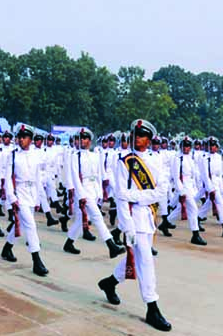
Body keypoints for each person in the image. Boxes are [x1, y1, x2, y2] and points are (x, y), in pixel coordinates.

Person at [97, 119, 172, 332]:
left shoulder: (156, 161)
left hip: (147, 215)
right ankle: (152, 307)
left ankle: (109, 283)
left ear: (150, 139)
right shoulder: (124, 161)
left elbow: (161, 192)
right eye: (136, 134)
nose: (138, 138)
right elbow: (121, 196)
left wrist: (136, 196)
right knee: (146, 261)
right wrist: (126, 226)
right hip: (133, 219)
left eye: (143, 135)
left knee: (138, 259)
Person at [63, 128, 125, 258]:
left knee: (80, 220)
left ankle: (69, 243)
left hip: (93, 189)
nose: (82, 141)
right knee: (97, 217)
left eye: (85, 138)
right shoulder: (74, 156)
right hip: (83, 190)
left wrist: (100, 193)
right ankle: (111, 245)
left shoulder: (95, 155)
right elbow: (75, 177)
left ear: (90, 141)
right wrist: (81, 195)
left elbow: (98, 175)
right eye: (80, 138)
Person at [0, 124, 49, 277]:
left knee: (19, 224)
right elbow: (8, 178)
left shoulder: (36, 155)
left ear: (31, 139)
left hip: (32, 193)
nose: (21, 140)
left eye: (25, 137)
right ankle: (36, 260)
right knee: (30, 225)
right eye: (19, 137)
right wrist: (12, 197)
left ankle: (7, 248)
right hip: (19, 193)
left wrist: (39, 199)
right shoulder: (13, 155)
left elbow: (38, 178)